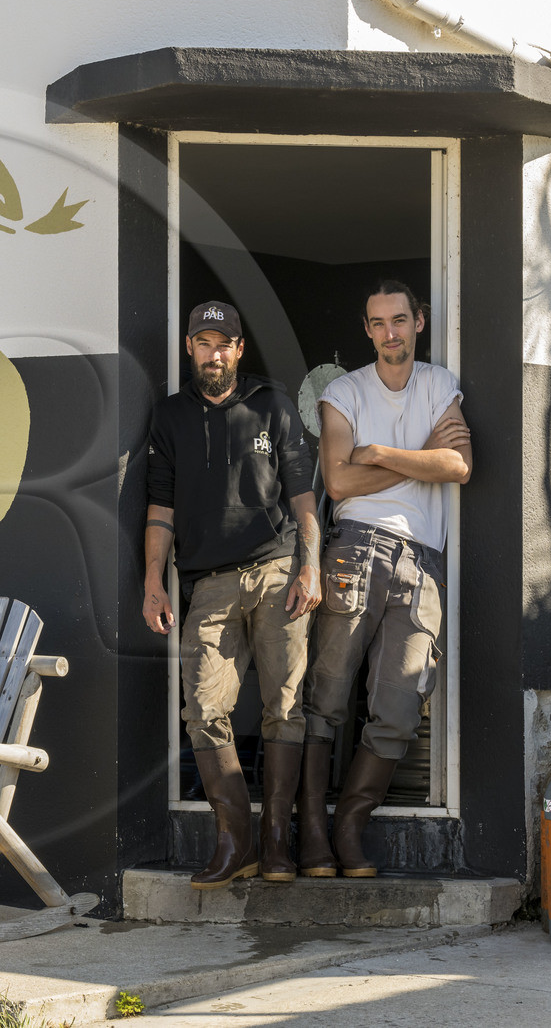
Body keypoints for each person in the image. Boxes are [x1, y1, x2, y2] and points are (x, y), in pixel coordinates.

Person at [144, 301, 322, 889]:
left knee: (286, 706)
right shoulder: (169, 417)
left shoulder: (273, 404)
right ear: (189, 349)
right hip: (208, 584)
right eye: (203, 343)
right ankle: (235, 839)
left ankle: (277, 842)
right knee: (202, 708)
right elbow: (160, 508)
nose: (213, 353)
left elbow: (303, 498)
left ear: (238, 349)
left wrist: (310, 568)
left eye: (223, 343)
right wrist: (152, 582)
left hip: (277, 572)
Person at [299, 280, 472, 878]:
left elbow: (457, 465)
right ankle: (314, 834)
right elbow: (340, 484)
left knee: (399, 706)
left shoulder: (438, 383)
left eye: (399, 320)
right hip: (356, 549)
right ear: (366, 329)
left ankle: (350, 823)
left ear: (418, 321)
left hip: (422, 561)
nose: (389, 333)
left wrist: (381, 452)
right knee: (326, 696)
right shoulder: (343, 392)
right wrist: (418, 456)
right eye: (378, 323)